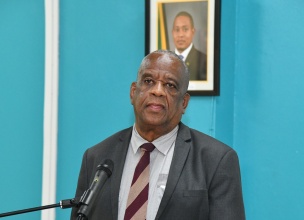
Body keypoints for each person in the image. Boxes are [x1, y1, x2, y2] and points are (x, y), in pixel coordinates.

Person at [70, 50, 245, 220]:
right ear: (133, 92)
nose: (158, 91)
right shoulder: (96, 157)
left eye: (170, 85)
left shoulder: (216, 160)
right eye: (148, 81)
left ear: (183, 103)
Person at [172, 11, 207, 81]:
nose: (181, 35)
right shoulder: (165, 61)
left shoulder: (204, 61)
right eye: (177, 30)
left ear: (193, 32)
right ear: (172, 32)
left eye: (185, 29)